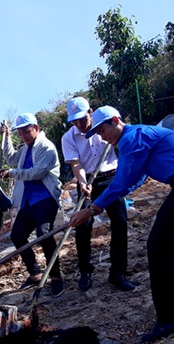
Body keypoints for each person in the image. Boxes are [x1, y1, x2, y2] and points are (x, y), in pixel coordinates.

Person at [69, 106, 174, 342]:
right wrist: (97, 205)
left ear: (116, 120)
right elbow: (136, 178)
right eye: (97, 132)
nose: (102, 136)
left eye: (103, 129)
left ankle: (171, 318)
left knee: (157, 245)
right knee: (168, 239)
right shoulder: (137, 136)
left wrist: (90, 210)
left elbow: (120, 183)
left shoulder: (131, 137)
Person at [61, 97, 135, 292]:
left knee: (119, 221)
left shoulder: (105, 127)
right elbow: (75, 163)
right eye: (74, 121)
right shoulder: (68, 138)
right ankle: (85, 271)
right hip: (87, 183)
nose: (79, 124)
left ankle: (118, 272)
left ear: (91, 113)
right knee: (83, 224)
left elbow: (122, 142)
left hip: (111, 178)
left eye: (82, 119)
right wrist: (83, 183)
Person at [0, 113, 65, 297]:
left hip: (45, 198)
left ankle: (56, 277)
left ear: (36, 128)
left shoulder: (46, 147)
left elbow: (36, 172)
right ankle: (35, 273)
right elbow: (12, 159)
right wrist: (5, 139)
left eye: (27, 132)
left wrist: (11, 173)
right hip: (28, 200)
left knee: (45, 234)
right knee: (18, 235)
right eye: (20, 134)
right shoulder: (26, 149)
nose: (24, 136)